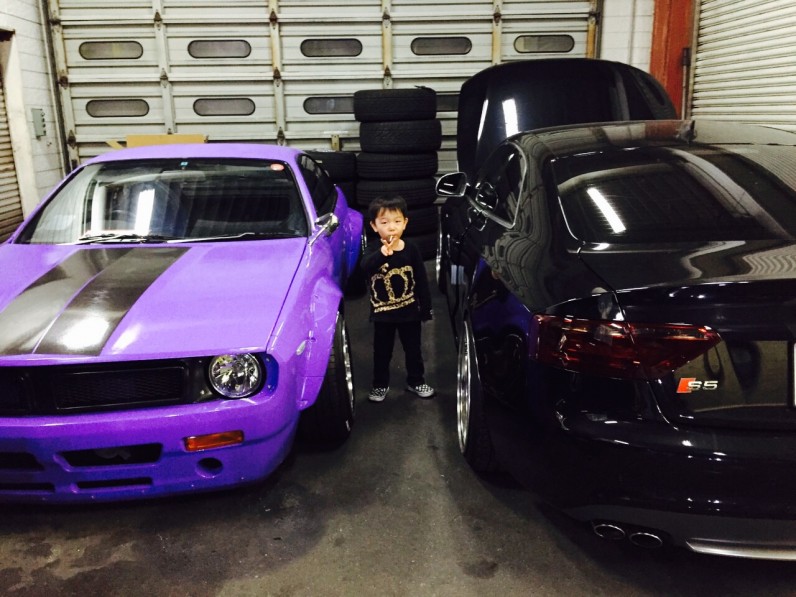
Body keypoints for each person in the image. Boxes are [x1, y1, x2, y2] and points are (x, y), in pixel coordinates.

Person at [361, 196, 435, 402]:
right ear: (374, 226)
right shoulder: (373, 250)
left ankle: (416, 380)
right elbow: (364, 268)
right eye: (384, 222)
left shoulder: (412, 249)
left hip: (409, 312)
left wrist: (426, 308)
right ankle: (380, 384)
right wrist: (382, 254)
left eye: (397, 221)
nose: (391, 227)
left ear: (405, 223)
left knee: (413, 350)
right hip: (383, 315)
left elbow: (421, 280)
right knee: (382, 352)